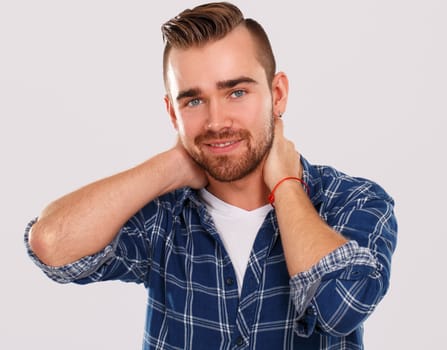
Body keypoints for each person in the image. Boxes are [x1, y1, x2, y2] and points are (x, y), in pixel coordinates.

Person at [25, 2, 397, 349]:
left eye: (236, 92)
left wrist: (285, 185)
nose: (217, 122)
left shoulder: (353, 200)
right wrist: (171, 165)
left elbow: (341, 307)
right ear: (173, 114)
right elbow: (53, 245)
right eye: (194, 101)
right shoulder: (164, 216)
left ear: (277, 94)